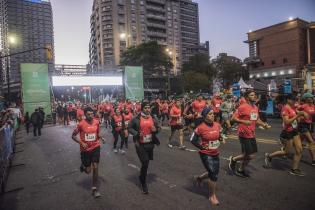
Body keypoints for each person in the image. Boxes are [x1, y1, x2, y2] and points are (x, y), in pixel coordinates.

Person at [229, 90, 270, 177]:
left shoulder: (255, 107)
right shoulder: (242, 107)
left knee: (248, 154)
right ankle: (236, 164)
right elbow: (233, 118)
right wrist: (243, 121)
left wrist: (264, 124)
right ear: (247, 97)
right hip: (243, 133)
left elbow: (256, 120)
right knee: (249, 155)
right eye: (252, 95)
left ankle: (237, 165)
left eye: (254, 95)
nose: (254, 96)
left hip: (251, 133)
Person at [264, 94, 308, 175]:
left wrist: (302, 114)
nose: (295, 101)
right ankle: (269, 156)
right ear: (288, 100)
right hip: (287, 132)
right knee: (286, 152)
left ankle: (294, 169)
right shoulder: (285, 108)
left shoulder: (293, 107)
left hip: (294, 131)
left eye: (296, 99)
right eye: (293, 99)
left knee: (299, 150)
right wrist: (298, 115)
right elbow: (287, 122)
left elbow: (298, 113)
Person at [190, 107, 225, 206]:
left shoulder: (217, 125)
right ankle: (212, 195)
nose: (213, 115)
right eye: (210, 114)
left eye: (213, 113)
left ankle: (200, 178)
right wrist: (201, 146)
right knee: (213, 174)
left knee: (213, 172)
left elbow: (219, 134)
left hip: (215, 152)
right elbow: (192, 139)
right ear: (205, 116)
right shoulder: (200, 127)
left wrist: (221, 138)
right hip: (205, 154)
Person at [128, 101, 160, 194]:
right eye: (145, 108)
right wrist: (137, 133)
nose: (147, 109)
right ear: (142, 108)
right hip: (140, 144)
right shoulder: (136, 118)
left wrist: (156, 130)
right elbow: (129, 128)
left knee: (146, 162)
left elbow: (158, 128)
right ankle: (143, 182)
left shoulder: (153, 117)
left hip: (150, 144)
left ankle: (142, 176)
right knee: (145, 162)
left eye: (149, 108)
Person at [72, 107, 102, 198]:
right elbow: (73, 136)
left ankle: (94, 188)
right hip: (85, 150)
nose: (90, 115)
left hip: (95, 147)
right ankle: (84, 167)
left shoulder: (96, 122)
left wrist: (101, 137)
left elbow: (98, 133)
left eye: (92, 114)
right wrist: (81, 142)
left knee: (96, 167)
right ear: (85, 115)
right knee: (88, 171)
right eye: (88, 114)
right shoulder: (81, 124)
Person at [297, 93, 315, 165]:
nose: (312, 99)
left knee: (299, 141)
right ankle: (314, 160)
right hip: (303, 125)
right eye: (310, 98)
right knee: (311, 142)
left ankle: (285, 149)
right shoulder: (304, 106)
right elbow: (295, 110)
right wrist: (302, 113)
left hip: (310, 125)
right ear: (307, 99)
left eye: (312, 97)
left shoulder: (313, 106)